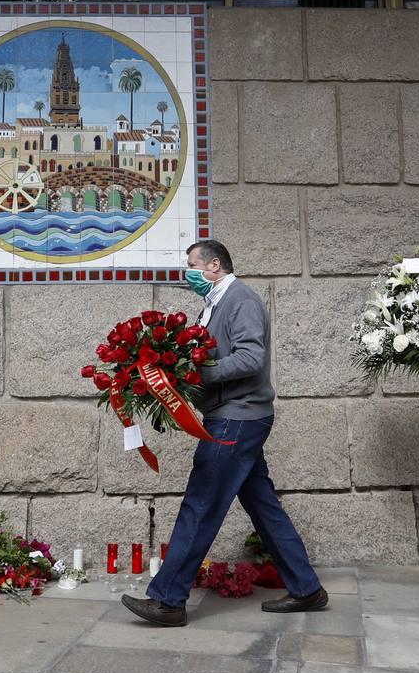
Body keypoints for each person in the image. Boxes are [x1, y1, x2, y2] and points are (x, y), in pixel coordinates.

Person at [122, 240, 327, 627]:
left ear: (214, 265)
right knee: (263, 506)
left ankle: (168, 600)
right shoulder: (213, 304)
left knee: (201, 503)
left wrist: (197, 373)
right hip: (235, 415)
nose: (188, 273)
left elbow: (251, 358)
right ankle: (307, 588)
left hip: (237, 418)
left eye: (192, 265)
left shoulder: (240, 298)